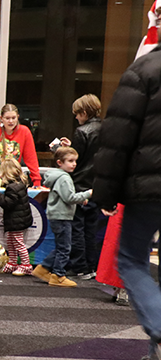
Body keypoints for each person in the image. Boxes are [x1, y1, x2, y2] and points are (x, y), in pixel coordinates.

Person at [93, 44, 161, 360]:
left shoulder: (145, 70)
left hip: (149, 189)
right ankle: (155, 354)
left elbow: (118, 136)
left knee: (132, 260)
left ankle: (160, 334)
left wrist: (105, 192)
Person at [31, 147, 91, 288]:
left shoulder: (57, 177)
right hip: (62, 216)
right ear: (59, 162)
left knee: (61, 246)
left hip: (56, 215)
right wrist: (87, 194)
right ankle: (58, 275)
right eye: (70, 161)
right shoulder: (64, 178)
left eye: (75, 161)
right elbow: (69, 197)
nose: (74, 164)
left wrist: (80, 199)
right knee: (65, 248)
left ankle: (43, 268)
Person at [57, 94, 103, 279]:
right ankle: (92, 265)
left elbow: (77, 159)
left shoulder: (82, 131)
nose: (76, 117)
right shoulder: (107, 128)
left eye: (77, 114)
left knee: (77, 228)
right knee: (91, 229)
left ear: (84, 112)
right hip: (97, 184)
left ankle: (79, 265)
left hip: (80, 184)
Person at [0, 104, 41, 187]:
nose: (11, 121)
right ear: (1, 118)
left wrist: (36, 180)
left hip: (14, 178)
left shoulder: (24, 132)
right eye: (7, 118)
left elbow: (31, 158)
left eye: (13, 118)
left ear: (18, 117)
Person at [0, 157, 33, 275]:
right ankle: (13, 262)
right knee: (11, 241)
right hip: (17, 219)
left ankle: (26, 264)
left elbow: (8, 203)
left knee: (17, 242)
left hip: (16, 220)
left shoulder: (12, 188)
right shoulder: (19, 184)